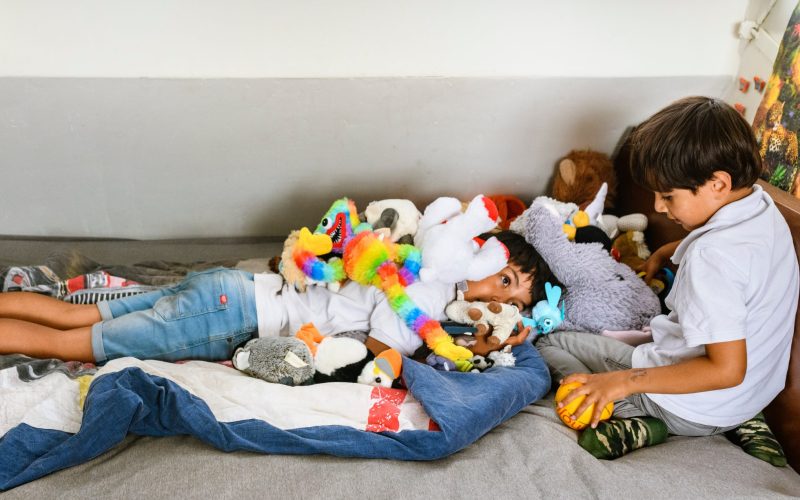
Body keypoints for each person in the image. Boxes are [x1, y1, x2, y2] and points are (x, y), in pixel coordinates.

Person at [536, 96, 799, 465]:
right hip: (749, 397)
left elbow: (726, 369)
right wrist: (674, 247)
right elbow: (737, 260)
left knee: (550, 340)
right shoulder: (762, 208)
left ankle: (636, 421)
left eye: (668, 196)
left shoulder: (712, 259)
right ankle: (746, 424)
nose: (658, 207)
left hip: (694, 405)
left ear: (718, 184)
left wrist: (619, 383)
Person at [0, 230, 550, 366]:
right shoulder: (428, 296)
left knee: (83, 314)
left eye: (517, 303)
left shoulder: (418, 260)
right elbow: (382, 354)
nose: (504, 305)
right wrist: (469, 354)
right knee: (75, 345)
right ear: (481, 259)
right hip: (232, 315)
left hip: (231, 287)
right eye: (505, 282)